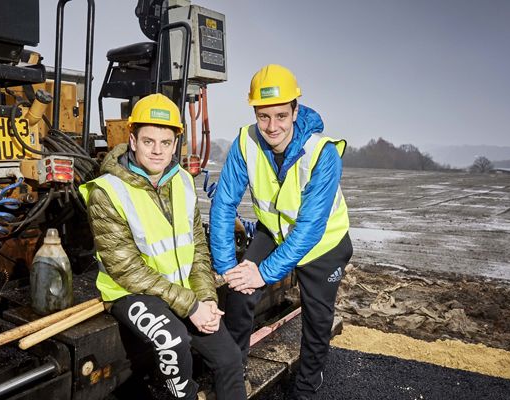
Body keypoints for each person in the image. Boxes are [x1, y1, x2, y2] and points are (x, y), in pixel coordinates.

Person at [80, 93, 246, 400]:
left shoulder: (182, 180)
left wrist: (206, 298)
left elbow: (197, 246)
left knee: (230, 359)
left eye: (165, 142)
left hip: (180, 290)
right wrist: (191, 305)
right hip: (130, 291)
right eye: (148, 141)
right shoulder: (107, 191)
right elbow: (125, 268)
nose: (157, 151)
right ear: (132, 141)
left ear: (175, 144)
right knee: (174, 341)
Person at [209, 64, 353, 399]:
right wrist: (229, 266)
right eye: (263, 117)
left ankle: (306, 387)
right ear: (255, 113)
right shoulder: (246, 141)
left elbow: (309, 230)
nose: (272, 127)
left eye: (280, 116)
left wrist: (263, 273)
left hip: (323, 246)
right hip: (274, 233)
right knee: (240, 292)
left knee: (317, 320)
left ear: (295, 111)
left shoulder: (323, 153)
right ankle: (234, 374)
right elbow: (224, 204)